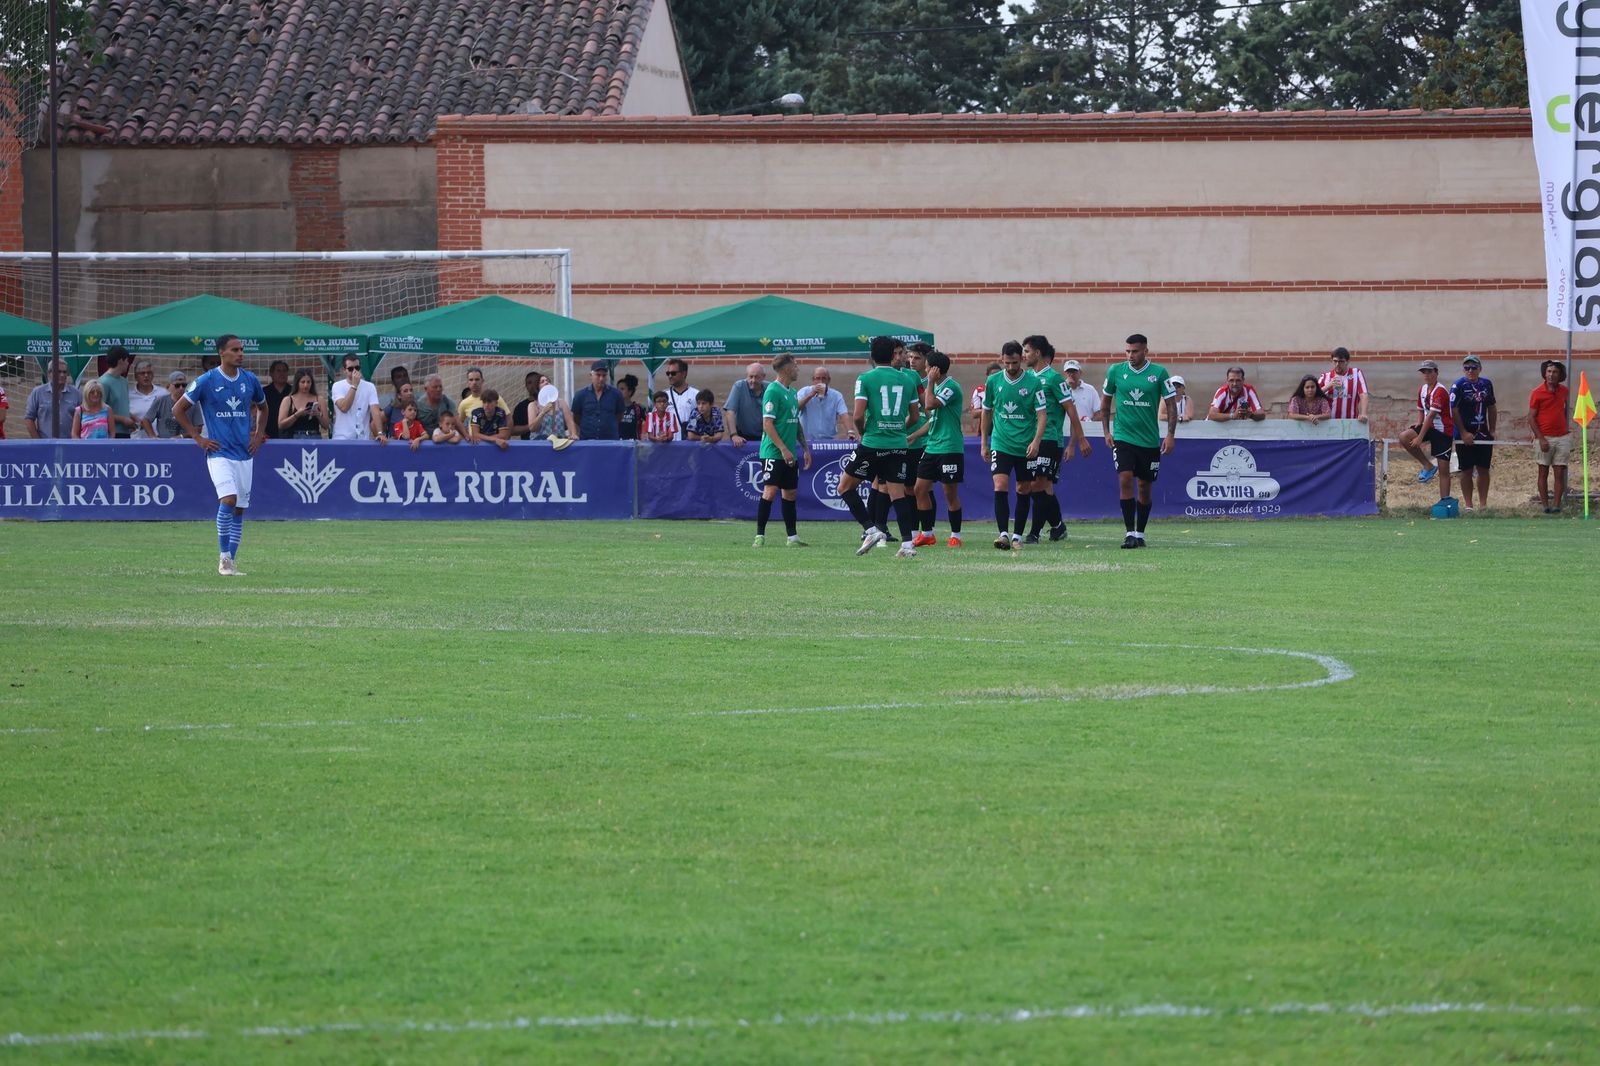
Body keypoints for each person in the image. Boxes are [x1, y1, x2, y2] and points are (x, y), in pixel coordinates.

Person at [173, 333, 267, 577]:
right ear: (221, 353)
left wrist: (258, 435)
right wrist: (198, 438)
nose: (240, 354)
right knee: (229, 500)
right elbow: (178, 409)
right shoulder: (207, 380)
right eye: (235, 350)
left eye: (242, 349)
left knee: (239, 509)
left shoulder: (250, 380)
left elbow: (263, 407)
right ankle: (223, 558)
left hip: (244, 454)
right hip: (219, 452)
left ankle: (231, 562)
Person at [840, 335, 921, 556]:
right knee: (898, 495)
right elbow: (915, 417)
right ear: (893, 354)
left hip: (873, 442)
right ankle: (907, 545)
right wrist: (898, 429)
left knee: (844, 487)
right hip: (898, 444)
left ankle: (871, 530)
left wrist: (863, 431)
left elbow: (858, 415)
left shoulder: (865, 378)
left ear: (872, 356)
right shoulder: (908, 380)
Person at [1102, 333, 1177, 549]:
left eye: (1134, 351)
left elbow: (1171, 405)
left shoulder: (1159, 373)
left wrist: (1170, 435)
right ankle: (1129, 533)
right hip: (1123, 436)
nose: (1130, 355)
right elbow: (1105, 403)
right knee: (1125, 478)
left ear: (1145, 351)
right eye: (1127, 351)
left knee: (1144, 487)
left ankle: (1140, 533)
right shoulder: (1116, 371)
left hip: (1149, 440)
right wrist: (1106, 431)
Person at [1022, 335, 1087, 544]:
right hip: (1030, 439)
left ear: (1037, 353)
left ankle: (1034, 533)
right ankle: (1058, 526)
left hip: (1049, 439)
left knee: (1038, 484)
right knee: (1041, 487)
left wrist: (1078, 440)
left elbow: (1071, 410)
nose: (1024, 355)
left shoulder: (1054, 379)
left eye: (1027, 351)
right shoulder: (1027, 377)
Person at [981, 340, 1046, 550]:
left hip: (1025, 445)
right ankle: (1003, 535)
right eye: (1007, 363)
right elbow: (986, 412)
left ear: (1022, 359)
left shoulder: (1034, 383)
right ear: (1002, 359)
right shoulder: (993, 381)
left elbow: (1042, 415)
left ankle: (1017, 536)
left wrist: (1036, 441)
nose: (1010, 367)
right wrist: (984, 442)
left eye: (1014, 363)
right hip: (1001, 443)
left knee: (1023, 488)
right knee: (1000, 484)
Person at [753, 353, 811, 547]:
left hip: (789, 452)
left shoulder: (792, 392)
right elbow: (767, 424)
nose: (797, 369)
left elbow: (795, 422)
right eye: (795, 365)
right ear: (787, 368)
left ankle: (792, 538)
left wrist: (805, 448)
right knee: (770, 491)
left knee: (790, 493)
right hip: (773, 452)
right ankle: (759, 536)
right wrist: (784, 449)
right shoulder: (772, 391)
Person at [910, 351, 965, 547]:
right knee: (919, 489)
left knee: (949, 493)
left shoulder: (951, 387)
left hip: (949, 447)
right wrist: (914, 435)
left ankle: (956, 536)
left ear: (935, 370)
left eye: (927, 367)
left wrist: (931, 383)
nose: (925, 371)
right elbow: (932, 421)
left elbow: (930, 405)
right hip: (932, 447)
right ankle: (927, 534)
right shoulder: (936, 387)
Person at [1397, 360, 1454, 501]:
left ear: (1436, 373)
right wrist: (1418, 423)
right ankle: (1428, 465)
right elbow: (1421, 410)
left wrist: (1420, 437)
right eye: (1424, 372)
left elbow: (1431, 415)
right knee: (1404, 436)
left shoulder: (1440, 391)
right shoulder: (1422, 389)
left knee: (1444, 470)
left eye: (1429, 372)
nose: (1426, 375)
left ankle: (1444, 502)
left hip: (1442, 431)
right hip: (1429, 426)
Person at [1451, 355, 1497, 512]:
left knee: (1483, 469)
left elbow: (1492, 406)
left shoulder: (1486, 384)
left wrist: (1492, 429)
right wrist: (1463, 432)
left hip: (1482, 433)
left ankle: (1483, 504)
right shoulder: (1458, 385)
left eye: (1473, 367)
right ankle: (1469, 505)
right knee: (1466, 470)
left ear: (1480, 369)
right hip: (1464, 434)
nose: (1470, 370)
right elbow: (1453, 410)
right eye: (1467, 368)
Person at [1529, 359, 1573, 514]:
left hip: (1562, 437)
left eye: (1555, 372)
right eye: (1549, 371)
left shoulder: (1564, 391)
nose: (1551, 375)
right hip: (1544, 437)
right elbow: (1531, 417)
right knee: (1543, 471)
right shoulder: (1537, 392)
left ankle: (1556, 505)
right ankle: (1545, 505)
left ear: (1560, 374)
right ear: (1544, 373)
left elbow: (1564, 411)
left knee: (1559, 472)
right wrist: (1540, 438)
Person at [331, 354, 384, 442]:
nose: (354, 371)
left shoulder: (370, 387)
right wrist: (354, 385)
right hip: (341, 438)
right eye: (350, 369)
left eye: (357, 368)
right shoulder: (337, 386)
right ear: (344, 370)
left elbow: (375, 412)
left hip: (362, 439)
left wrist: (380, 433)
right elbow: (344, 407)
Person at [25, 363, 83, 438]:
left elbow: (83, 418)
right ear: (49, 373)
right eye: (58, 372)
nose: (62, 375)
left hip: (69, 442)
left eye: (64, 372)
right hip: (46, 442)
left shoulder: (76, 394)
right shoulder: (37, 393)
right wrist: (38, 441)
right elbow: (29, 418)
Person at [570, 360, 624, 440]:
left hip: (610, 441)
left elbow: (619, 416)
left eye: (604, 375)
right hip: (587, 440)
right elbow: (576, 417)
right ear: (591, 375)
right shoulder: (580, 395)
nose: (601, 378)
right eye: (598, 375)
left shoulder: (616, 394)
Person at [796, 366, 853, 441]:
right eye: (818, 378)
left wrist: (850, 431)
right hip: (807, 441)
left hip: (828, 441)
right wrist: (810, 395)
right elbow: (796, 408)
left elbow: (844, 414)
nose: (821, 381)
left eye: (824, 378)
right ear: (813, 380)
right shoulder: (804, 392)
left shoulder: (836, 396)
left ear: (828, 380)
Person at [1317, 346, 1369, 422]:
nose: (1337, 364)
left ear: (1347, 361)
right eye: (1335, 361)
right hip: (1329, 423)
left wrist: (1363, 413)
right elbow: (1314, 395)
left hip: (1350, 422)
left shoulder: (1356, 373)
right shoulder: (1325, 376)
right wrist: (1329, 385)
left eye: (1341, 361)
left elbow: (1363, 394)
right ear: (1331, 361)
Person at [724, 362, 767, 446]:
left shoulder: (770, 388)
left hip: (765, 437)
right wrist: (734, 435)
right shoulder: (739, 386)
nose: (753, 380)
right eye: (751, 377)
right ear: (746, 376)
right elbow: (730, 412)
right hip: (743, 437)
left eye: (757, 377)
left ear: (763, 377)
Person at [278, 368, 327, 439]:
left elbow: (326, 425)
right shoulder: (288, 400)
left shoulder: (319, 399)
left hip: (314, 436)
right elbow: (281, 425)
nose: (306, 385)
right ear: (297, 383)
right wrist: (297, 415)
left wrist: (318, 415)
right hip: (295, 437)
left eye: (308, 382)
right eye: (302, 382)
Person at [141, 372, 192, 438]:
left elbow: (198, 428)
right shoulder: (161, 401)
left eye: (184, 385)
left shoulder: (191, 402)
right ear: (170, 386)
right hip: (164, 441)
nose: (181, 388)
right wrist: (153, 437)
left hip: (186, 442)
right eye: (177, 385)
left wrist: (181, 436)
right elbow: (146, 420)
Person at [662, 357, 697, 438]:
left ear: (684, 374)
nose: (670, 376)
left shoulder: (696, 395)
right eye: (668, 373)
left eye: (673, 373)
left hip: (689, 443)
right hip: (669, 443)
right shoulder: (663, 396)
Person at [1063, 359, 1102, 430]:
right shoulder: (1060, 390)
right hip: (1065, 431)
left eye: (1074, 371)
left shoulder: (1090, 390)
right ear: (1065, 374)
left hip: (1087, 431)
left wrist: (1089, 423)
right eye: (1068, 372)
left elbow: (1099, 413)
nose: (1071, 374)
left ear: (1080, 372)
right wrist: (1066, 387)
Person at [128, 360, 161, 439]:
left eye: (149, 373)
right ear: (136, 376)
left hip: (159, 440)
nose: (146, 375)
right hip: (135, 440)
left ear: (153, 375)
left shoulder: (163, 393)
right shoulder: (128, 396)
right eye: (142, 373)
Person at [966, 361, 1001, 435]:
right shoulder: (979, 391)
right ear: (987, 375)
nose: (996, 377)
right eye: (993, 375)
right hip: (986, 429)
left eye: (998, 375)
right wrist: (990, 410)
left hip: (1004, 429)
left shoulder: (1006, 389)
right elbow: (974, 413)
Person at [262, 359, 292, 439]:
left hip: (290, 435)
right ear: (271, 374)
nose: (282, 373)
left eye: (284, 371)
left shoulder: (293, 392)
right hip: (269, 434)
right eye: (278, 371)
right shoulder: (264, 392)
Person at [510, 371, 544, 441]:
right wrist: (532, 425)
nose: (532, 385)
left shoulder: (552, 403)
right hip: (529, 443)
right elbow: (513, 430)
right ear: (526, 386)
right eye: (529, 383)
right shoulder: (521, 407)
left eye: (535, 382)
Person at [617, 374, 646, 441]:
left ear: (630, 392)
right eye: (617, 389)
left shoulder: (638, 408)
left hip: (633, 445)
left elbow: (652, 422)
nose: (619, 391)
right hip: (617, 444)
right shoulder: (613, 408)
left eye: (622, 389)